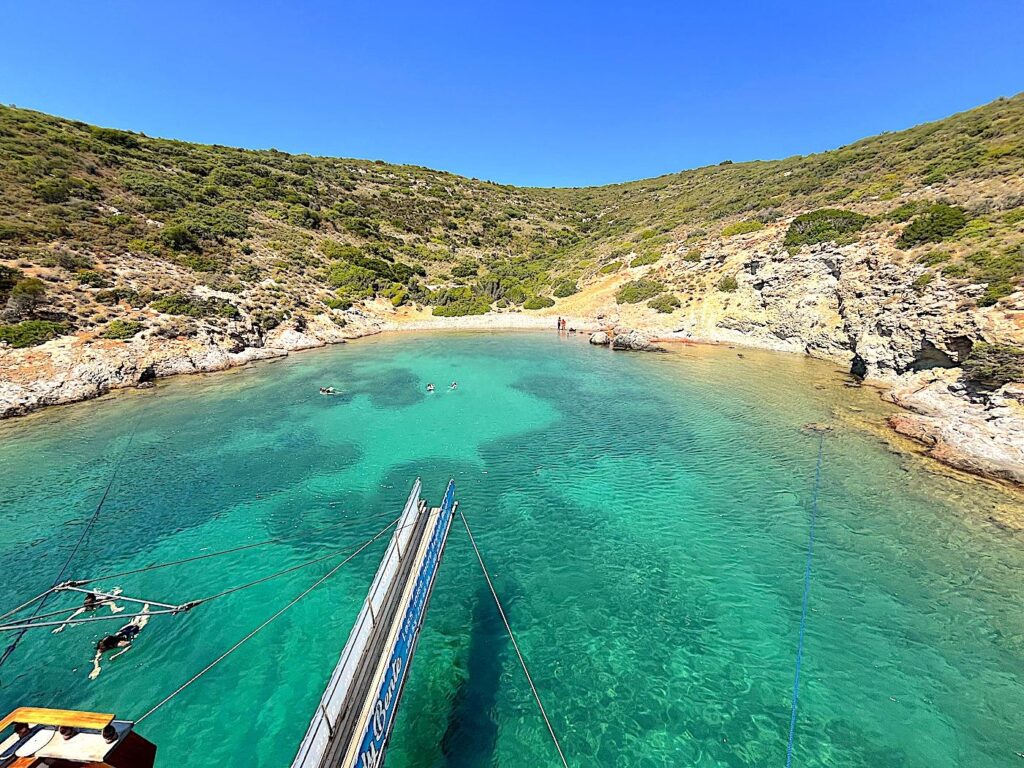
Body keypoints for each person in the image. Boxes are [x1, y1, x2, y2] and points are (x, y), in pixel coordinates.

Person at [89, 604, 150, 680]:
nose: (101, 649)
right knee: (134, 622)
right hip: (121, 631)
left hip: (130, 633)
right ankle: (144, 609)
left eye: (102, 647)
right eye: (100, 648)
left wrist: (118, 655)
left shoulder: (119, 644)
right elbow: (96, 658)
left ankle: (146, 610)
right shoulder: (101, 648)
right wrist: (96, 668)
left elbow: (129, 645)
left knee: (141, 623)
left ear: (109, 645)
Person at [52, 588, 125, 634]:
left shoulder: (97, 603)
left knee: (109, 597)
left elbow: (111, 603)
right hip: (95, 600)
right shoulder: (83, 609)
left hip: (100, 600)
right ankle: (96, 592)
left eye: (88, 606)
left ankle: (115, 592)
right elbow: (70, 618)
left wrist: (114, 609)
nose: (86, 607)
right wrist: (62, 626)